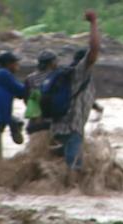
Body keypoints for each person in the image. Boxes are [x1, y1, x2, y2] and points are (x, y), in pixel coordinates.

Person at [50, 10, 100, 181]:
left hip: (58, 128)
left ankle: (57, 195)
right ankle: (73, 198)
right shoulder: (81, 72)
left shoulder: (71, 75)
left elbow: (80, 96)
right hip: (72, 129)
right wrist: (93, 23)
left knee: (59, 168)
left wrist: (96, 106)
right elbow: (94, 48)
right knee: (75, 170)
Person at [24, 50, 58, 135]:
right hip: (54, 119)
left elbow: (27, 99)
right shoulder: (56, 76)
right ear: (52, 63)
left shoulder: (30, 78)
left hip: (35, 119)